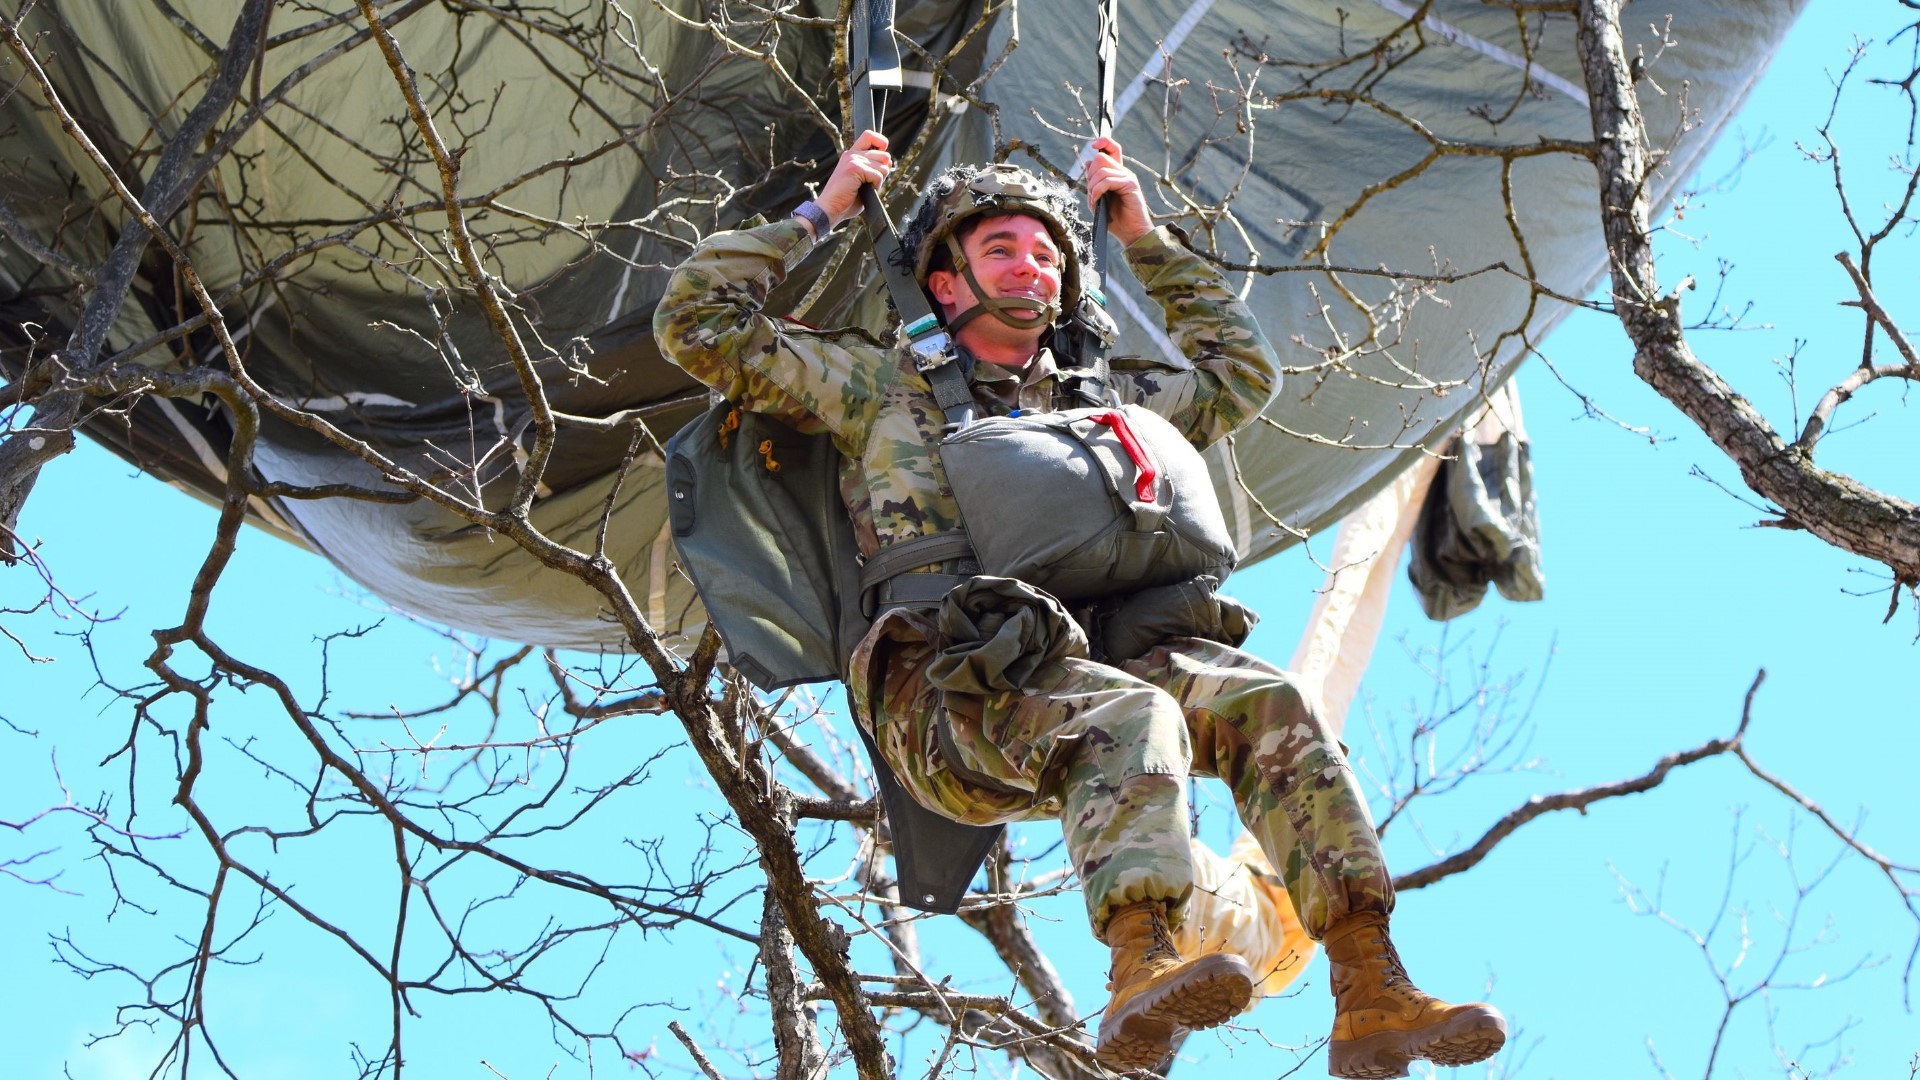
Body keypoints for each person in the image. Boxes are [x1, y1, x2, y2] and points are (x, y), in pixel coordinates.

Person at [654, 130, 1508, 1078]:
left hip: (1095, 664)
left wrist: (1144, 242)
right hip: (948, 696)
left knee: (1273, 704)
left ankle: (1369, 983)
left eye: (1048, 254)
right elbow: (698, 322)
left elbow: (1240, 374)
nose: (1031, 268)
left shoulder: (1109, 399)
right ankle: (1139, 964)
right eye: (1001, 250)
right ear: (945, 284)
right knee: (1132, 713)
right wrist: (828, 209)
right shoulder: (878, 386)